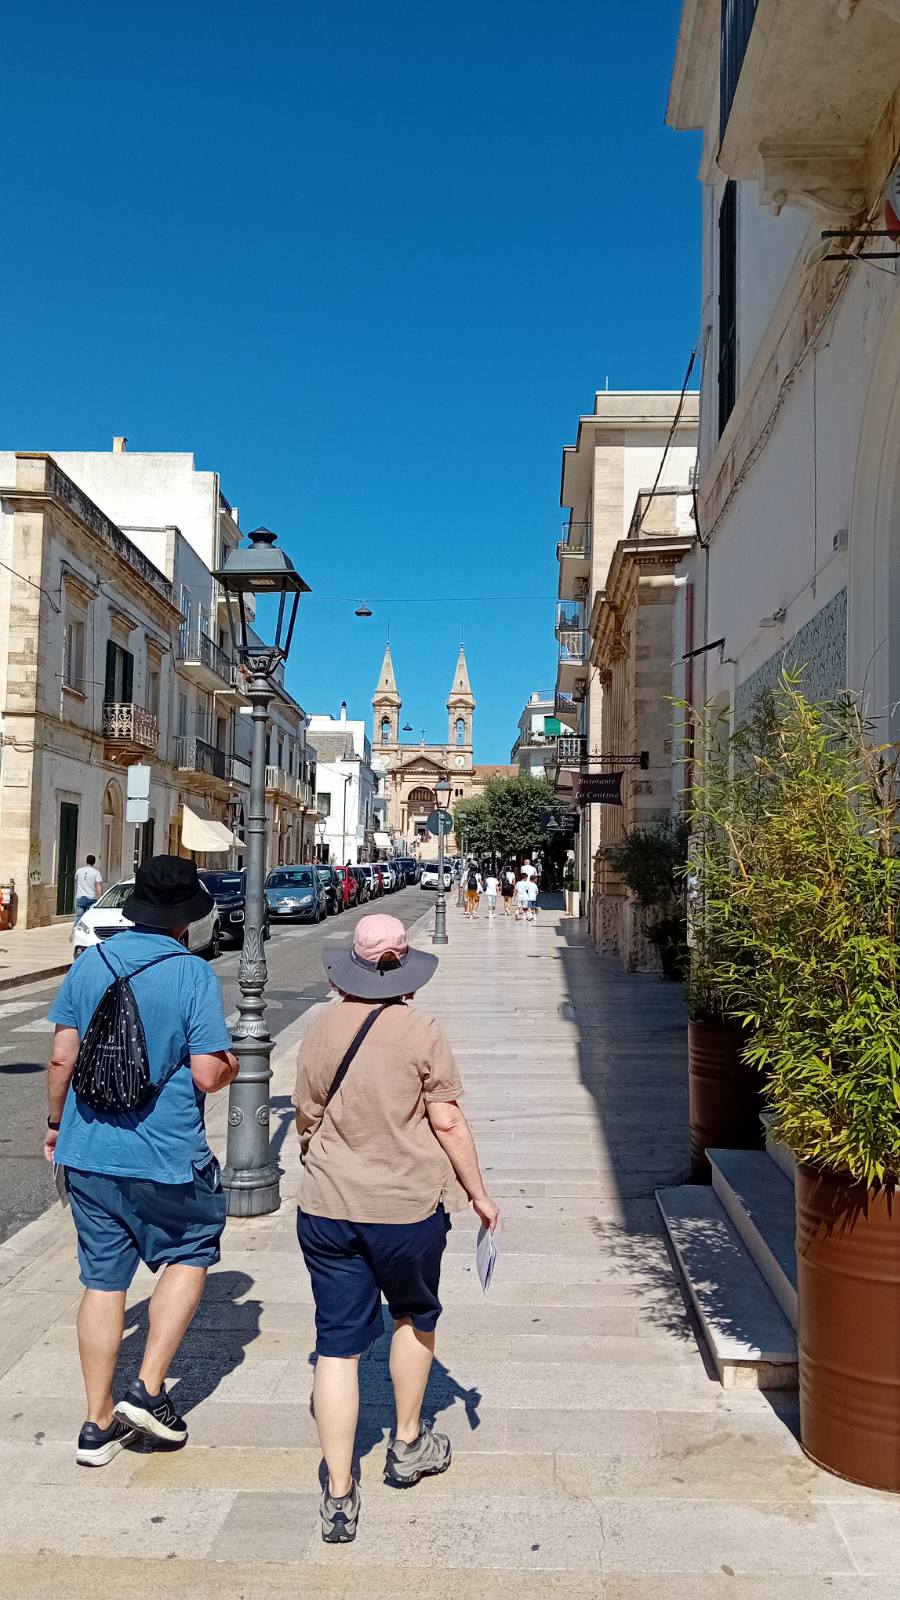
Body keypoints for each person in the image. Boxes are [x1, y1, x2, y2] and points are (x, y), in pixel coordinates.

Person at [294, 913, 498, 1545]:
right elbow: (447, 1120)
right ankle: (407, 1444)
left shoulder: (319, 1026)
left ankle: (338, 1493)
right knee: (413, 1313)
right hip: (406, 1208)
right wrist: (479, 1194)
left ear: (349, 969)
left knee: (337, 1345)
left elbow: (305, 1116)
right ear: (404, 968)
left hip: (327, 1206)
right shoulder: (420, 1030)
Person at [44, 855, 239, 1468]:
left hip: (89, 1150)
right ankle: (149, 1391)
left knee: (103, 1282)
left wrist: (55, 1126)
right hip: (166, 1155)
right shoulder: (191, 973)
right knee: (190, 1251)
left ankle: (95, 1424)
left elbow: (61, 1058)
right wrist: (231, 1064)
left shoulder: (91, 962)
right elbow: (207, 1074)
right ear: (186, 918)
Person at [73, 854, 103, 925]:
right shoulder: (96, 872)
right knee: (90, 917)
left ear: (86, 861)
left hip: (80, 897)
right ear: (94, 862)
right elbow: (98, 885)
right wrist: (100, 897)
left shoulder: (79, 871)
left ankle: (76, 928)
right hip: (91, 897)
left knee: (79, 916)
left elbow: (76, 880)